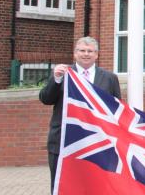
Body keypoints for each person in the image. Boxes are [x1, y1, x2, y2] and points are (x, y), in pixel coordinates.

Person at [39, 37, 121, 191]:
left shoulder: (110, 78)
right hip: (64, 141)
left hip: (97, 143)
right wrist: (56, 79)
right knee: (63, 186)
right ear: (75, 54)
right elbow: (46, 99)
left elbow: (116, 110)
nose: (86, 54)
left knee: (96, 187)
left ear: (96, 55)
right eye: (82, 50)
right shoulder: (62, 73)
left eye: (90, 51)